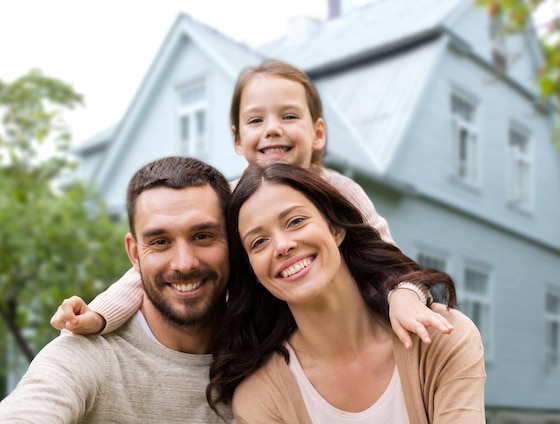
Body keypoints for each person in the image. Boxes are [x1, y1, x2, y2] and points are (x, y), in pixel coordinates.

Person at [51, 60, 452, 347]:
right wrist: (101, 314)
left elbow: (391, 261)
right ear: (238, 139)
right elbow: (151, 267)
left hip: (346, 338)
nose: (273, 128)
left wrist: (405, 296)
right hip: (267, 341)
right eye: (256, 120)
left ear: (317, 133)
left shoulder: (341, 192)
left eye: (289, 116)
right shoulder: (228, 198)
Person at [207, 162, 486, 423]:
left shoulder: (441, 339)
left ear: (336, 228)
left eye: (295, 221)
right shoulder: (261, 397)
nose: (282, 245)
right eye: (258, 242)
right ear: (253, 271)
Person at [0, 157, 234, 423]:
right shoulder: (89, 354)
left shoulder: (265, 348)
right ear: (134, 253)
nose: (184, 263)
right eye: (160, 242)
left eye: (202, 236)